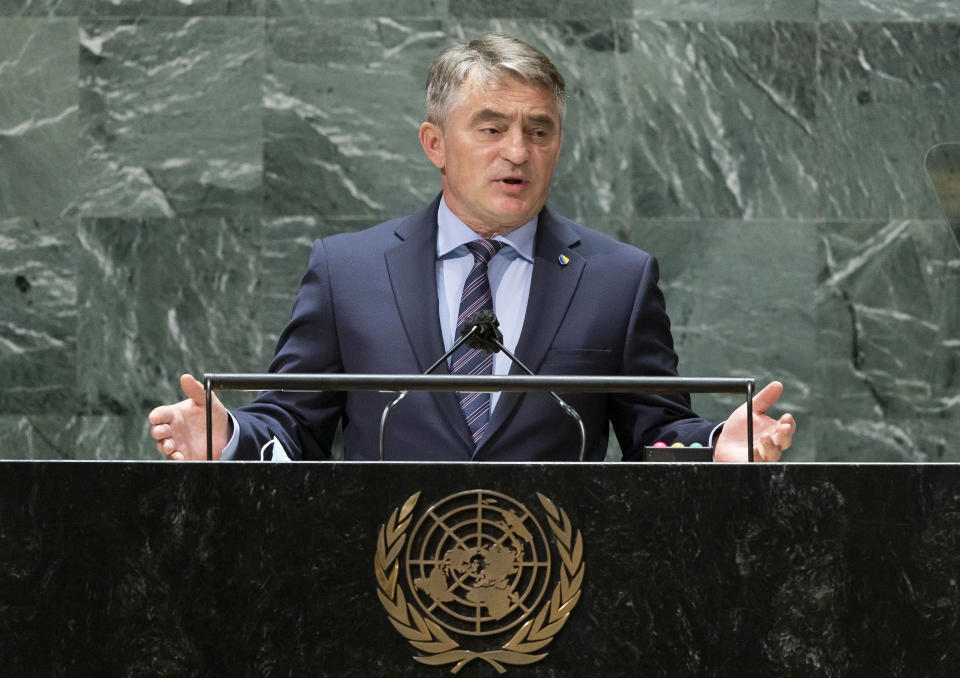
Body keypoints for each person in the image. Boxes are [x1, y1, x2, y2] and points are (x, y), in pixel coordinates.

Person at [149, 34, 795, 462]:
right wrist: (230, 436)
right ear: (435, 144)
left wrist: (713, 444)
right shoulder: (347, 271)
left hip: (557, 599)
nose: (518, 151)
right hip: (376, 592)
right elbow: (294, 424)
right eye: (492, 128)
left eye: (539, 131)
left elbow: (657, 431)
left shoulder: (616, 279)